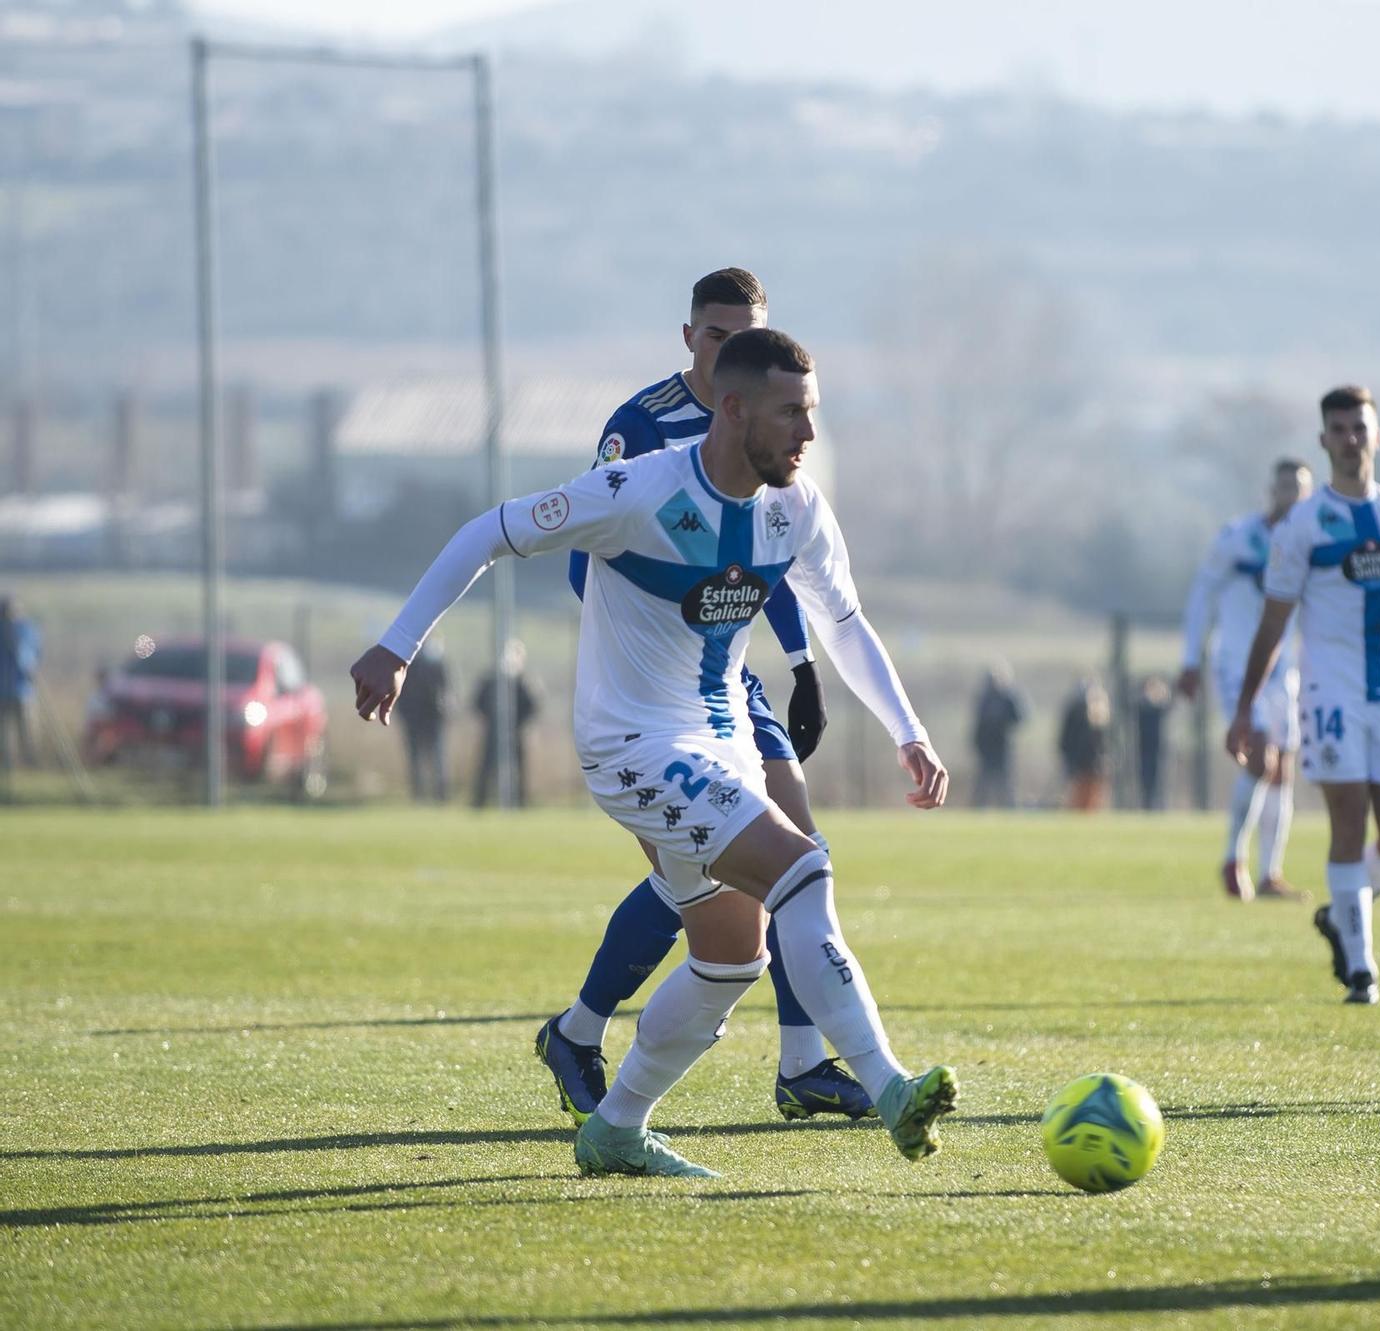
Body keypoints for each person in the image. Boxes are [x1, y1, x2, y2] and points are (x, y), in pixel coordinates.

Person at [352, 328, 956, 1178]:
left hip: (724, 744)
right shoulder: (634, 492)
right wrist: (398, 643)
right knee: (804, 867)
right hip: (631, 744)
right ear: (733, 407)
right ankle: (890, 1086)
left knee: (730, 957)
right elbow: (487, 533)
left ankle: (614, 1128)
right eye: (791, 414)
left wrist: (909, 731)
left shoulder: (796, 508)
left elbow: (844, 623)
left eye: (811, 414)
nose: (807, 434)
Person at [534, 268, 865, 1129]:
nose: (727, 350)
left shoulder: (768, 420)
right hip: (658, 683)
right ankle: (583, 1029)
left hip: (732, 669)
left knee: (786, 849)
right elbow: (588, 551)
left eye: (742, 334)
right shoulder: (641, 425)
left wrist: (803, 660)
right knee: (752, 867)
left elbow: (767, 558)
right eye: (714, 336)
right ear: (689, 338)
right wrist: (644, 660)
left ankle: (800, 1061)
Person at [1232, 386, 1380, 1005]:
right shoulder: (1303, 524)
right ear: (1323, 441)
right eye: (1339, 429)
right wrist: (1246, 708)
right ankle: (1361, 966)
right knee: (1349, 822)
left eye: (1360, 428)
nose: (1351, 439)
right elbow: (1273, 623)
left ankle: (1341, 916)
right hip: (1328, 694)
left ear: (1377, 437)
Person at [1179, 460, 1314, 900]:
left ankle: (1270, 873)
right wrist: (1190, 658)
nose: (1292, 496)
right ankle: (1232, 858)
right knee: (1259, 758)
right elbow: (1202, 593)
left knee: (1283, 770)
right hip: (1237, 663)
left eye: (1300, 489)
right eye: (1284, 488)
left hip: (1284, 670)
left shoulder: (1311, 542)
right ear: (1270, 491)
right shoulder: (1237, 537)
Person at [471, 639, 541, 808]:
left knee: (519, 770)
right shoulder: (491, 679)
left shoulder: (523, 681)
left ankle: (519, 803)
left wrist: (519, 723)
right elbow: (477, 702)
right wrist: (490, 719)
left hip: (516, 732)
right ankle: (479, 802)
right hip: (493, 731)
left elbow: (533, 706)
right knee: (486, 768)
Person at [970, 662, 1027, 809]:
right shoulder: (984, 698)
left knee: (1006, 783)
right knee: (983, 782)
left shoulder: (1008, 698)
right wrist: (976, 743)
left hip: (1003, 747)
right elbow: (978, 724)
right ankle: (978, 809)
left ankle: (1009, 809)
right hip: (986, 748)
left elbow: (1020, 717)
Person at [397, 645, 450, 803]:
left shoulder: (438, 665)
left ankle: (439, 794)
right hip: (416, 718)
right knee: (419, 759)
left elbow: (446, 691)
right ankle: (421, 794)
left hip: (433, 718)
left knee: (437, 759)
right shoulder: (408, 667)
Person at [1058, 678, 1111, 811]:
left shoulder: (1102, 717)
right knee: (1079, 797)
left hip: (1094, 763)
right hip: (1081, 762)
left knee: (1093, 797)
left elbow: (1105, 744)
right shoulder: (1076, 712)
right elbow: (1067, 740)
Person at [0, 597, 38, 781]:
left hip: (21, 689)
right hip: (12, 689)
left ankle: (28, 769)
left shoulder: (24, 629)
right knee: (7, 733)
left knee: (24, 732)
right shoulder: (22, 629)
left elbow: (31, 653)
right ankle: (10, 770)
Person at [1133, 673, 1173, 811]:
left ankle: (1160, 807)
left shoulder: (1159, 708)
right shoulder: (1143, 707)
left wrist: (1161, 694)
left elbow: (1168, 705)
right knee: (1146, 780)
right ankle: (1147, 806)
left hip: (1159, 750)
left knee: (1160, 780)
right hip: (1145, 749)